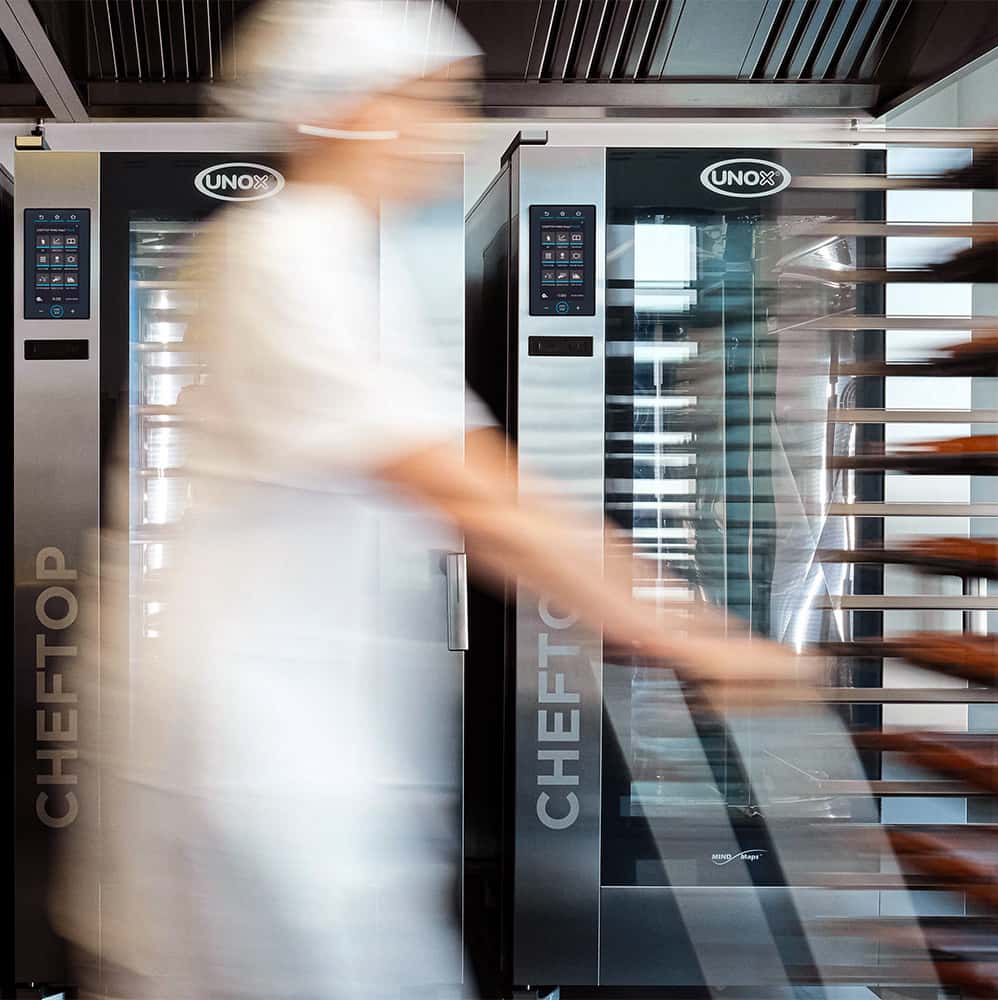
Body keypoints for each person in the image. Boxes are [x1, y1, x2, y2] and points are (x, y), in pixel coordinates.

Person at [52, 3, 813, 998]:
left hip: (293, 744)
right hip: (258, 756)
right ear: (350, 112)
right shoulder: (292, 254)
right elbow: (474, 494)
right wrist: (693, 634)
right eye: (431, 102)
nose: (448, 130)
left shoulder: (322, 256)